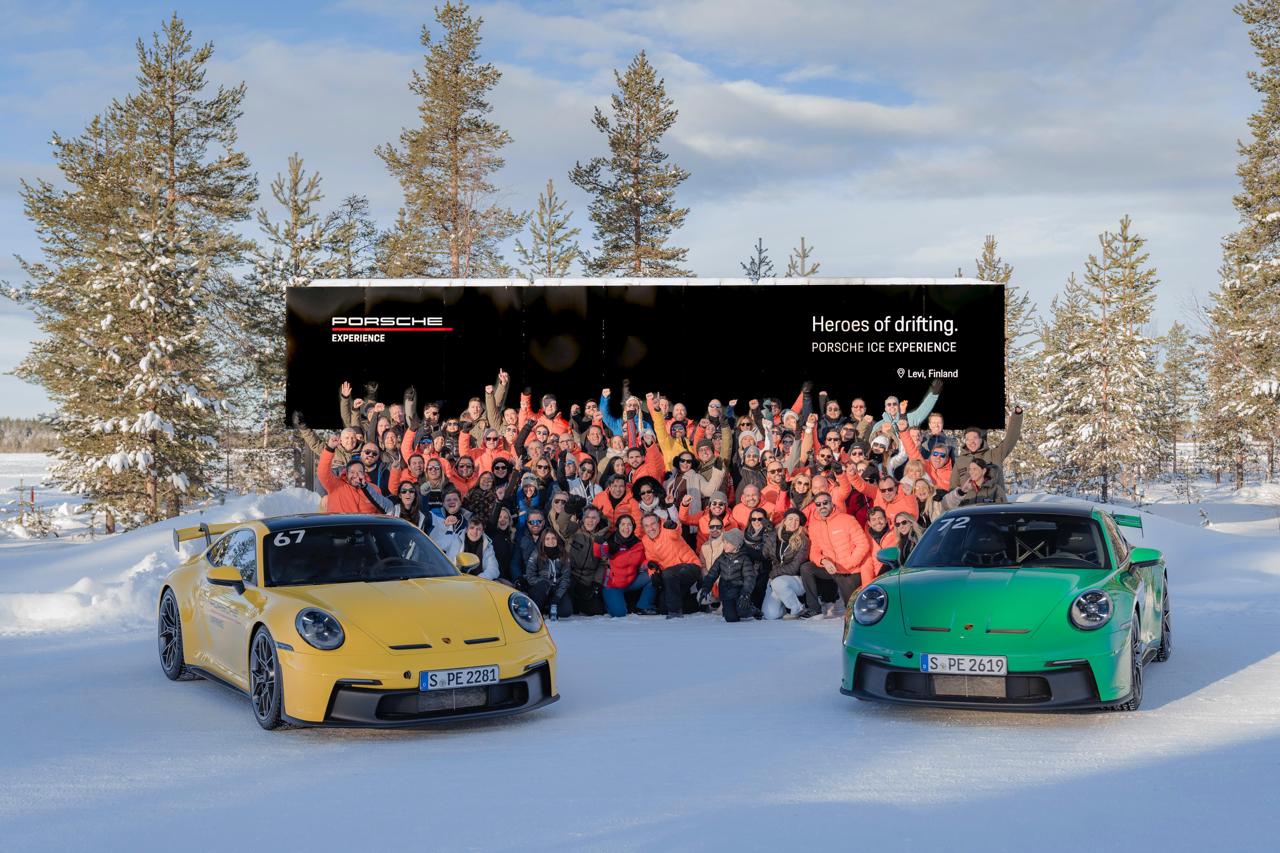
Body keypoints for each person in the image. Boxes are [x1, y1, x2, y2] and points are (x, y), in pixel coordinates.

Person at [801, 492, 873, 616]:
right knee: (806, 568)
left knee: (853, 610)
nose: (822, 506)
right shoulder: (814, 525)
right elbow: (814, 551)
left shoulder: (847, 519)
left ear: (831, 503)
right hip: (830, 568)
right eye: (818, 504)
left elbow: (863, 544)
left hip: (849, 569)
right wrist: (823, 561)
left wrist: (849, 563)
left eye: (825, 503)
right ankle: (814, 610)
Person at [639, 513, 702, 618]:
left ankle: (675, 612)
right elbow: (651, 560)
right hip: (671, 576)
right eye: (646, 526)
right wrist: (653, 573)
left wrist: (674, 526)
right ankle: (698, 602)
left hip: (689, 566)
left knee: (669, 574)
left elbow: (676, 531)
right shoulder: (645, 540)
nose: (651, 528)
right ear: (644, 528)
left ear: (659, 523)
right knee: (664, 607)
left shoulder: (667, 530)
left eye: (653, 524)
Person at [950, 406, 1024, 488]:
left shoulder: (995, 455)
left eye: (975, 438)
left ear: (981, 439)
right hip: (968, 500)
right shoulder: (960, 461)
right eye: (968, 439)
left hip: (993, 500)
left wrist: (1017, 416)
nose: (972, 442)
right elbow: (953, 488)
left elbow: (1010, 439)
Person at [763, 509, 815, 619]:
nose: (793, 522)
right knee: (770, 615)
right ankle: (786, 604)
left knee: (778, 583)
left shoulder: (803, 540)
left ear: (800, 524)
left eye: (797, 520)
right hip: (777, 581)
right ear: (784, 521)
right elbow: (765, 555)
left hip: (796, 580)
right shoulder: (775, 536)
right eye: (790, 519)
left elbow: (794, 567)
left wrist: (773, 574)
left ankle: (797, 608)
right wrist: (768, 536)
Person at [602, 514, 657, 617]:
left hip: (631, 581)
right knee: (620, 613)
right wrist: (604, 550)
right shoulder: (610, 543)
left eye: (629, 525)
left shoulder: (638, 544)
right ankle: (609, 602)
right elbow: (599, 556)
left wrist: (649, 564)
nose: (626, 528)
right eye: (623, 524)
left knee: (654, 575)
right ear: (618, 526)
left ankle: (644, 605)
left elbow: (642, 562)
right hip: (613, 585)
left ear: (633, 527)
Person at [699, 529, 759, 622]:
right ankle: (728, 609)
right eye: (724, 542)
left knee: (742, 611)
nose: (724, 545)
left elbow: (749, 578)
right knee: (731, 618)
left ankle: (752, 610)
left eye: (728, 543)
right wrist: (706, 589)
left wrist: (745, 593)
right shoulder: (722, 558)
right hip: (726, 593)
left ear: (736, 545)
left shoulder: (744, 558)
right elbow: (712, 574)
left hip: (740, 593)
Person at [316, 437, 382, 514]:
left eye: (359, 472)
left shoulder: (374, 489)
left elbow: (380, 513)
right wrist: (330, 449)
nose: (356, 475)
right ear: (346, 473)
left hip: (365, 525)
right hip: (340, 524)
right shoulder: (335, 485)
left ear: (364, 474)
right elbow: (323, 472)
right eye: (352, 472)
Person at [566, 507, 608, 616]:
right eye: (587, 517)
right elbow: (562, 524)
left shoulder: (603, 536)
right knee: (570, 609)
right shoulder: (574, 531)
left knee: (596, 611)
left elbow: (603, 563)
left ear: (598, 520)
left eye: (594, 518)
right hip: (571, 576)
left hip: (588, 579)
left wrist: (596, 583)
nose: (590, 521)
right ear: (583, 519)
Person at [525, 528, 572, 618]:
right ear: (543, 541)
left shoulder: (564, 554)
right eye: (547, 539)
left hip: (556, 587)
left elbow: (566, 578)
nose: (551, 541)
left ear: (557, 540)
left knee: (566, 611)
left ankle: (549, 606)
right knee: (542, 586)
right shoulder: (536, 553)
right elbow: (530, 576)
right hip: (541, 587)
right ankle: (538, 608)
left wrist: (557, 597)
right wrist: (546, 583)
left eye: (553, 538)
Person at [442, 515, 500, 580]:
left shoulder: (488, 546)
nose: (475, 532)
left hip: (477, 583)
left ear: (482, 532)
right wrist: (444, 525)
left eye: (478, 529)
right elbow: (435, 541)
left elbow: (494, 569)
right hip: (454, 579)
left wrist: (478, 579)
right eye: (472, 528)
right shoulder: (454, 539)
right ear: (466, 530)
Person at [943, 458, 1008, 508]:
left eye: (975, 469)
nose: (971, 472)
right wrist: (961, 492)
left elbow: (1003, 510)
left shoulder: (996, 489)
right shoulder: (965, 489)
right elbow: (949, 507)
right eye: (970, 469)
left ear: (984, 471)